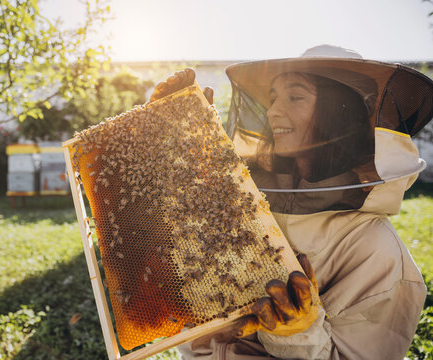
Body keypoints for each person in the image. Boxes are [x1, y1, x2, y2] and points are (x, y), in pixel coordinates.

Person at [150, 45, 433, 359]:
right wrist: (175, 147)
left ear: (342, 113)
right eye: (273, 98)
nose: (272, 112)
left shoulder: (381, 257)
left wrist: (297, 333)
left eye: (295, 96)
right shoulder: (250, 201)